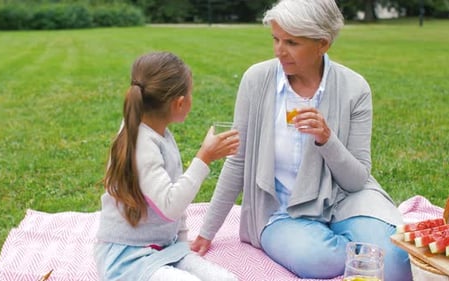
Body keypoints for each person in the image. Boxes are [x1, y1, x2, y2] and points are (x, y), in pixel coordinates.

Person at [191, 1, 413, 280]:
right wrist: (206, 232)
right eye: (275, 39)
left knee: (396, 262)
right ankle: (354, 250)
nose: (278, 51)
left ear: (323, 44)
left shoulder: (355, 88)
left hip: (346, 200)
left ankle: (357, 242)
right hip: (281, 211)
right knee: (321, 259)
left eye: (292, 43)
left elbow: (356, 181)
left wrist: (326, 139)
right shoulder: (257, 80)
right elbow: (239, 161)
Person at [94, 51, 240, 281]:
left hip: (166, 248)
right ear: (179, 103)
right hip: (128, 257)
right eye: (191, 93)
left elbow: (174, 200)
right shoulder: (141, 143)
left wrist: (182, 244)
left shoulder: (159, 133)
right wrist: (204, 158)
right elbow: (170, 205)